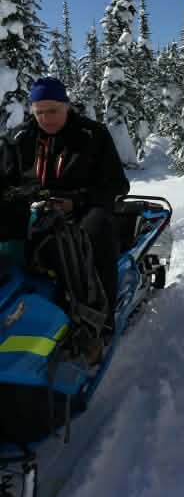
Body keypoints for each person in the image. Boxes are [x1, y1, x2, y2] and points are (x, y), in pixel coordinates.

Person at [0, 78, 131, 336]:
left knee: (96, 230)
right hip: (31, 208)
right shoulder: (19, 138)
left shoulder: (93, 135)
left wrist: (77, 200)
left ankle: (101, 321)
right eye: (40, 112)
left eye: (53, 111)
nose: (46, 118)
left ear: (66, 106)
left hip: (82, 207)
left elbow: (117, 185)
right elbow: (5, 182)